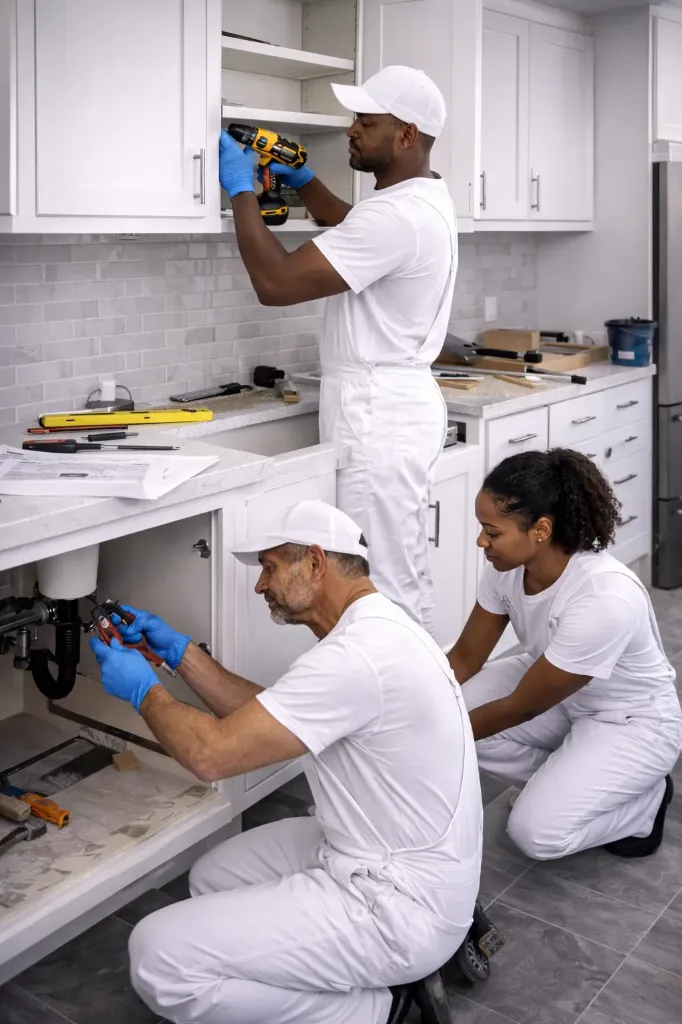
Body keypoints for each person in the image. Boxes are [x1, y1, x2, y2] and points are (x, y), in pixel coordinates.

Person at [90, 500, 482, 1024]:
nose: (260, 586)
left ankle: (372, 1009)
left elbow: (211, 755)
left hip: (400, 904)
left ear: (316, 563)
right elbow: (268, 718)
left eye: (271, 567)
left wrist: (144, 691)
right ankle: (335, 971)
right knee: (215, 876)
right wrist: (181, 654)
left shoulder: (355, 657)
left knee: (160, 957)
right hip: (388, 855)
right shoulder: (377, 629)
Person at [218, 65, 457, 635]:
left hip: (379, 414)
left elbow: (274, 285)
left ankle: (401, 711)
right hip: (395, 404)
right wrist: (304, 182)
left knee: (377, 582)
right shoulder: (419, 200)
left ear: (405, 136)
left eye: (365, 122)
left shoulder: (395, 215)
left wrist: (241, 190)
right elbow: (355, 234)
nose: (351, 130)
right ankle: (409, 702)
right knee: (394, 568)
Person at [448, 448, 682, 862]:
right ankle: (567, 780)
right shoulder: (504, 568)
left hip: (630, 719)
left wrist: (432, 738)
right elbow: (465, 659)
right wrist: (410, 710)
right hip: (556, 686)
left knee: (535, 834)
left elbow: (521, 707)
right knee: (449, 711)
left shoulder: (603, 596)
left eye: (492, 531)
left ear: (540, 529)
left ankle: (644, 803)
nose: (481, 541)